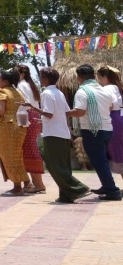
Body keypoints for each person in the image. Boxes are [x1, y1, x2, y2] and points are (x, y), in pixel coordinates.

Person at [67, 63, 121, 201]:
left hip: (92, 130)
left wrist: (64, 113)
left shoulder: (83, 91)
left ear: (79, 77)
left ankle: (112, 190)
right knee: (101, 159)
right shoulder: (103, 90)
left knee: (98, 160)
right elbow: (109, 106)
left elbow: (79, 112)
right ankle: (107, 185)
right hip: (107, 129)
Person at [37, 67, 88, 204]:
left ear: (46, 79)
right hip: (63, 132)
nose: (40, 80)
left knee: (54, 165)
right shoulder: (59, 93)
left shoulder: (46, 93)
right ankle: (66, 195)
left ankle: (79, 188)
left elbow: (49, 114)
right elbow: (65, 112)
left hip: (53, 134)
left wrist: (32, 106)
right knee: (64, 166)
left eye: (41, 77)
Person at [0, 69, 27, 195]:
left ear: (5, 81)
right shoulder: (17, 92)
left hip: (7, 127)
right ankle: (26, 182)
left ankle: (17, 186)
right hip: (20, 124)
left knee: (8, 155)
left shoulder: (1, 91)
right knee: (17, 155)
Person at [15, 65, 46, 194]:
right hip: (34, 116)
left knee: (29, 149)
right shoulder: (30, 85)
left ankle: (38, 184)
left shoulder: (22, 85)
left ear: (22, 73)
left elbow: (23, 105)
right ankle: (34, 183)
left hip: (26, 116)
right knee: (30, 148)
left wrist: (20, 123)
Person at [97, 66, 123, 179]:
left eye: (99, 78)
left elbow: (109, 106)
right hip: (120, 118)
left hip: (113, 121)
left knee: (118, 152)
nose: (99, 81)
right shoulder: (117, 87)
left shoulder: (107, 89)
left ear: (105, 77)